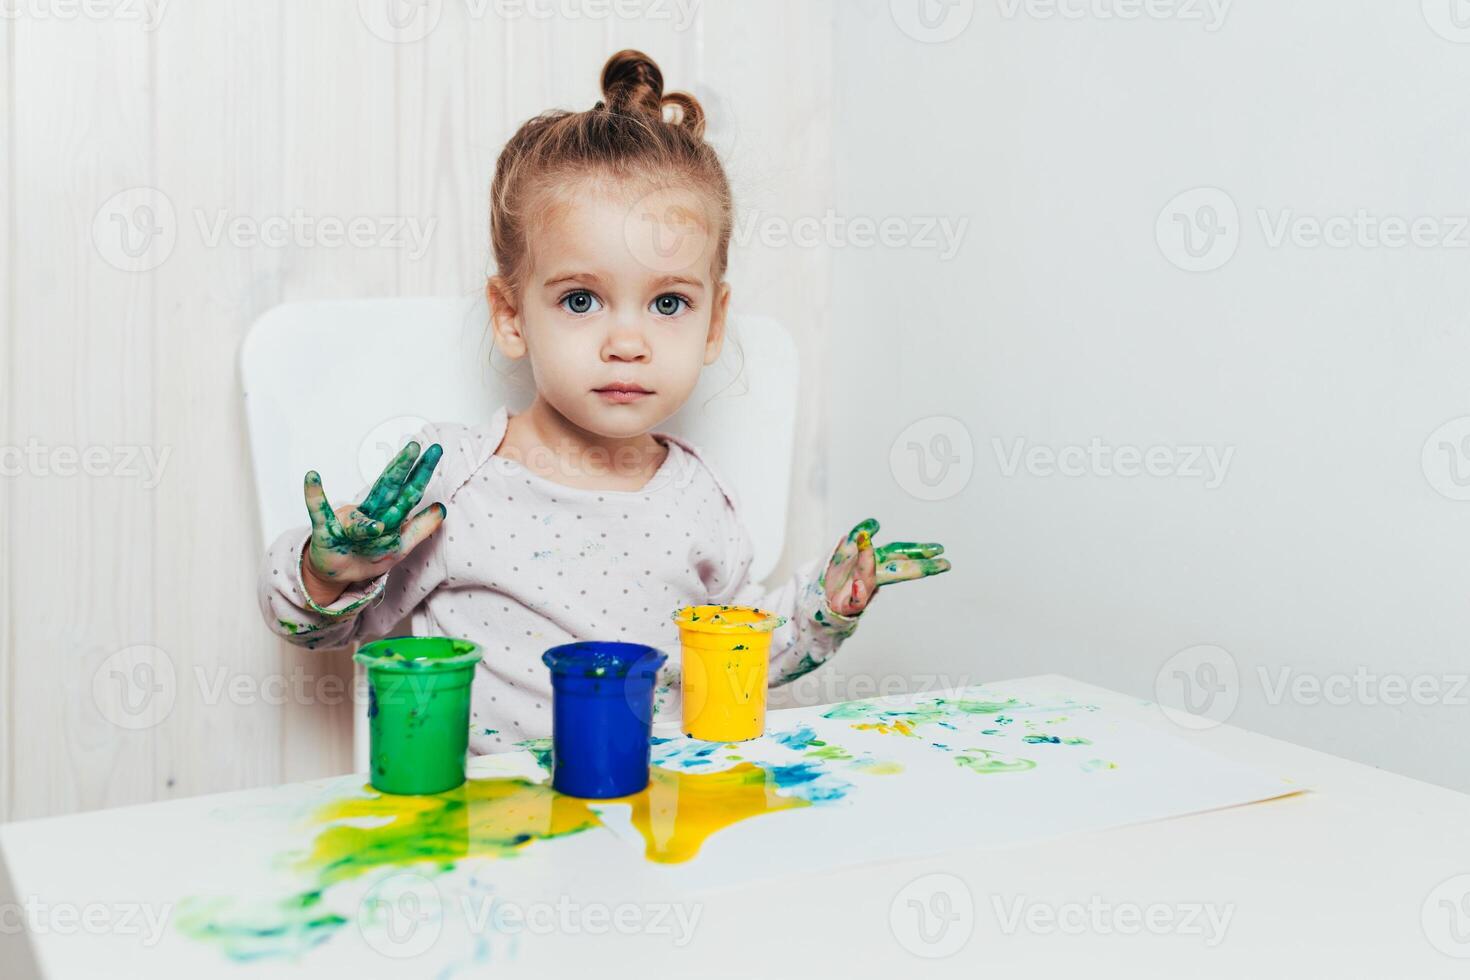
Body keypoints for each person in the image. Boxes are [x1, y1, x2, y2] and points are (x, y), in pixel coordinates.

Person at [258, 49, 951, 753]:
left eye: (669, 302)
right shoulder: (452, 484)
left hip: (655, 825)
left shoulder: (698, 498)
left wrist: (824, 609)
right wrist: (327, 570)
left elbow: (738, 657)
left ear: (714, 323)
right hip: (497, 836)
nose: (628, 341)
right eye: (582, 299)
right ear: (510, 315)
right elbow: (320, 628)